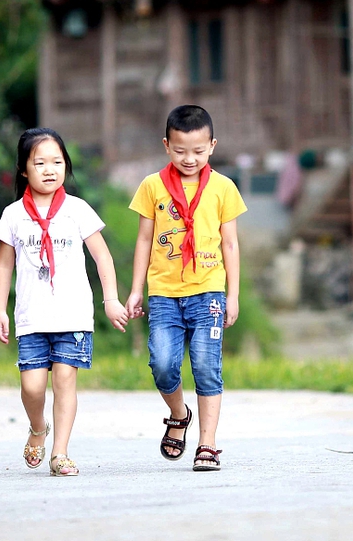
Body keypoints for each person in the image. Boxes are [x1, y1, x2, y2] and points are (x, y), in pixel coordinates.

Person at [0, 127, 129, 476]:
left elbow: (102, 257)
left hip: (73, 316)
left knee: (65, 381)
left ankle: (60, 453)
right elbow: (4, 265)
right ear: (24, 169)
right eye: (40, 162)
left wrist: (110, 300)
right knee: (32, 386)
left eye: (57, 161)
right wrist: (0, 310)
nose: (50, 169)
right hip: (31, 317)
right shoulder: (13, 215)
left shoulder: (77, 209)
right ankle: (38, 428)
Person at [125, 105, 247, 471]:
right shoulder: (152, 186)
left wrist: (233, 295)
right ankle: (178, 414)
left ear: (212, 145)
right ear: (166, 145)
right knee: (162, 364)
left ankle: (207, 444)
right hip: (163, 293)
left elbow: (230, 244)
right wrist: (135, 290)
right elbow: (144, 240)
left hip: (209, 291)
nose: (189, 158)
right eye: (180, 151)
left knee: (207, 366)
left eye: (197, 151)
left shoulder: (224, 187)